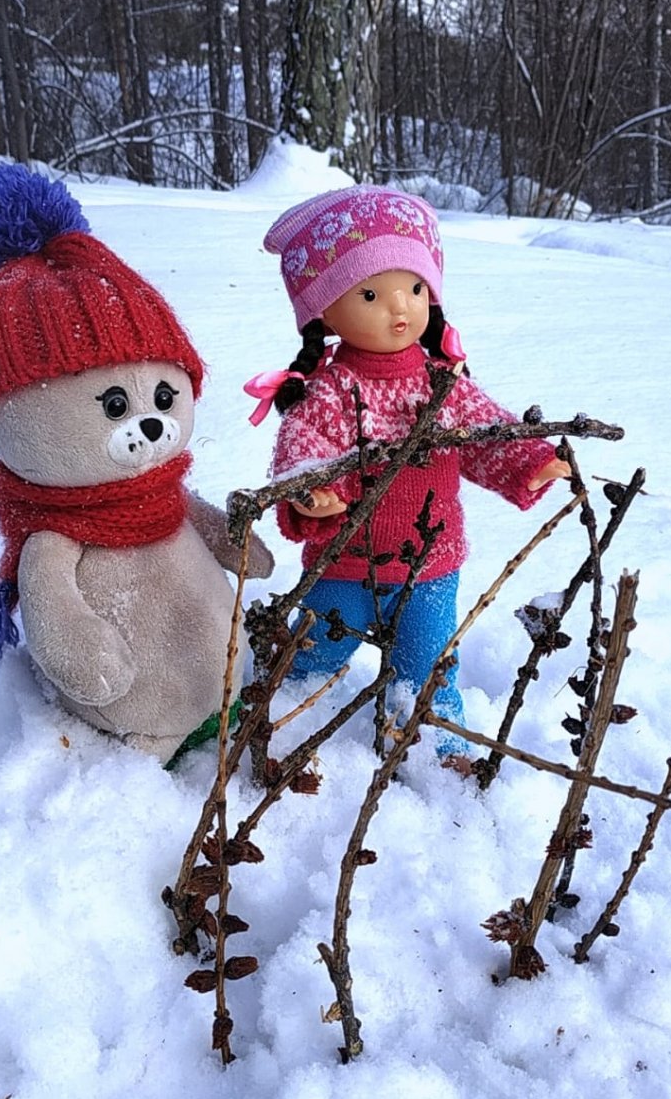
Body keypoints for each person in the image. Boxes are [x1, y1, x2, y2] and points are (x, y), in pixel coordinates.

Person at [244, 186, 570, 770]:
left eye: (415, 289)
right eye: (371, 294)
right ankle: (282, 738)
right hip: (345, 565)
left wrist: (529, 460)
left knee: (428, 672)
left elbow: (485, 428)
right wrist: (316, 494)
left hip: (431, 567)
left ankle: (437, 754)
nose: (400, 309)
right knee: (311, 660)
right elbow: (304, 447)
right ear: (325, 309)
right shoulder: (330, 389)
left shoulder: (441, 382)